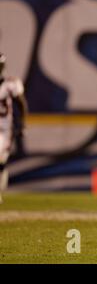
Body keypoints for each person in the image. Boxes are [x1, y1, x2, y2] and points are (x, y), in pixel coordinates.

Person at [0, 53, 27, 204]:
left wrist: (22, 123)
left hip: (4, 129)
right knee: (1, 163)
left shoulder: (9, 84)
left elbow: (21, 104)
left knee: (0, 158)